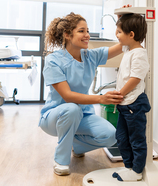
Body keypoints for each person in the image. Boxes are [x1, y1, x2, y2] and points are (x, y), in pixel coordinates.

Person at [38, 12, 124, 176]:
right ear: (67, 35)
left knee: (111, 135)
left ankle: (75, 145)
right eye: (81, 31)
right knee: (71, 108)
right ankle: (61, 161)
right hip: (54, 116)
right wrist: (101, 98)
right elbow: (68, 96)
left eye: (88, 31)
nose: (87, 35)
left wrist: (122, 20)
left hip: (83, 115)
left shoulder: (91, 56)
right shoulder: (54, 60)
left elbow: (122, 45)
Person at [112, 13, 151, 182]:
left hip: (133, 104)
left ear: (131, 35)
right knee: (121, 138)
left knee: (136, 139)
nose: (116, 34)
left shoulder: (139, 54)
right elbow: (124, 39)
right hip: (124, 104)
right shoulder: (129, 49)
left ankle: (136, 171)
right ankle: (128, 167)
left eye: (119, 31)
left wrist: (120, 93)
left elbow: (136, 78)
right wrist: (122, 16)